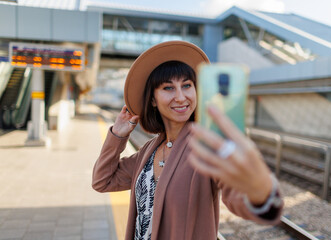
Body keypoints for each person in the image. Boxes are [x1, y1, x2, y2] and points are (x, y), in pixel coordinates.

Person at [92, 41, 283, 240]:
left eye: (186, 85)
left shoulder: (207, 146)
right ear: (153, 100)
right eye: (168, 88)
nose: (181, 97)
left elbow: (237, 196)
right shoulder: (149, 150)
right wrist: (117, 135)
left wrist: (260, 189)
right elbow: (103, 181)